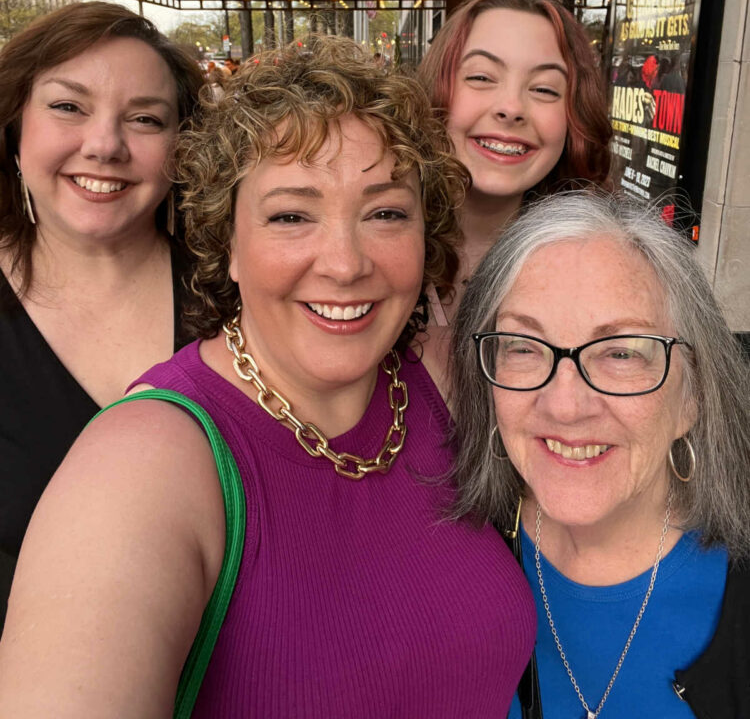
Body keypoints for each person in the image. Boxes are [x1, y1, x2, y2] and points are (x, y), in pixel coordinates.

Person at [0, 40, 536, 718]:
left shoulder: (441, 384)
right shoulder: (140, 469)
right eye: (291, 216)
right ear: (228, 244)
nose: (345, 264)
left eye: (385, 213)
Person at [450, 192, 750, 718]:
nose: (565, 405)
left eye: (621, 353)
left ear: (694, 395)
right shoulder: (449, 560)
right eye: (523, 345)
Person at [0, 1, 204, 627]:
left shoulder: (234, 293)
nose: (105, 145)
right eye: (68, 107)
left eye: (145, 118)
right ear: (15, 126)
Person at [416, 0, 612, 391]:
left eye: (543, 89)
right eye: (482, 77)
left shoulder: (602, 270)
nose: (512, 107)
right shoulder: (369, 255)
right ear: (438, 91)